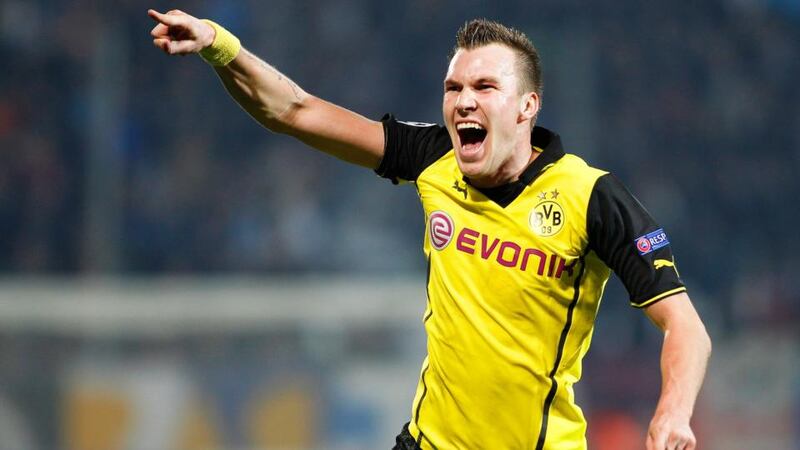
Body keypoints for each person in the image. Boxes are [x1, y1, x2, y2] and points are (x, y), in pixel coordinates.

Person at [147, 9, 712, 450]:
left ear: (526, 106)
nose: (463, 101)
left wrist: (672, 412)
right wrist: (220, 45)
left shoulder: (592, 198)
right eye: (453, 88)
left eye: (484, 88)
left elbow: (686, 328)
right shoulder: (433, 159)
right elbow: (293, 111)